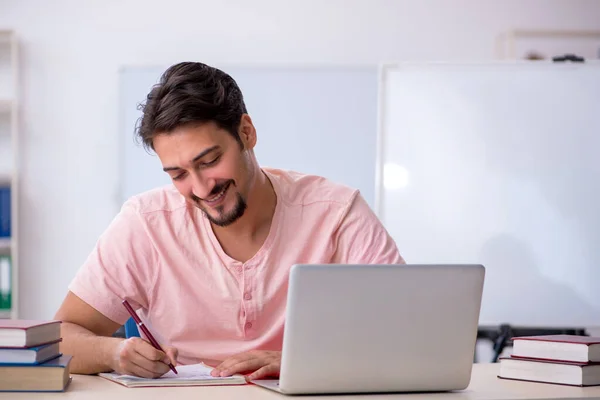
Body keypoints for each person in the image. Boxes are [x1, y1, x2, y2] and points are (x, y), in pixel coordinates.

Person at [54, 61, 405, 381]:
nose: (201, 188)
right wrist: (113, 352)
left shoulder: (336, 212)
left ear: (247, 132)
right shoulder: (145, 223)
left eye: (209, 161)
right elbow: (61, 335)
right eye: (178, 174)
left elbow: (407, 328)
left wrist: (308, 360)